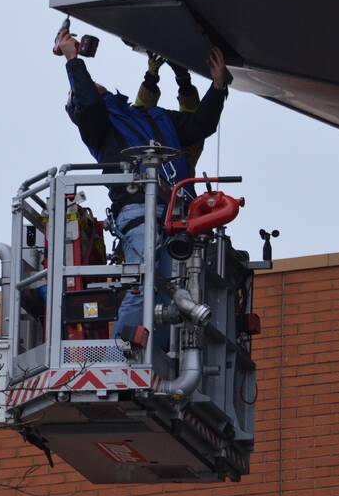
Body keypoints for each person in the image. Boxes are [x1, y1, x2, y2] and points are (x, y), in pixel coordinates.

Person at [56, 31, 230, 343]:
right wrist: (72, 60)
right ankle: (121, 356)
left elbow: (199, 125)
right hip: (140, 212)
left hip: (177, 216)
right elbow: (89, 102)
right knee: (143, 287)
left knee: (173, 294)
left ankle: (152, 354)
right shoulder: (100, 129)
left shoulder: (151, 116)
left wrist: (218, 87)